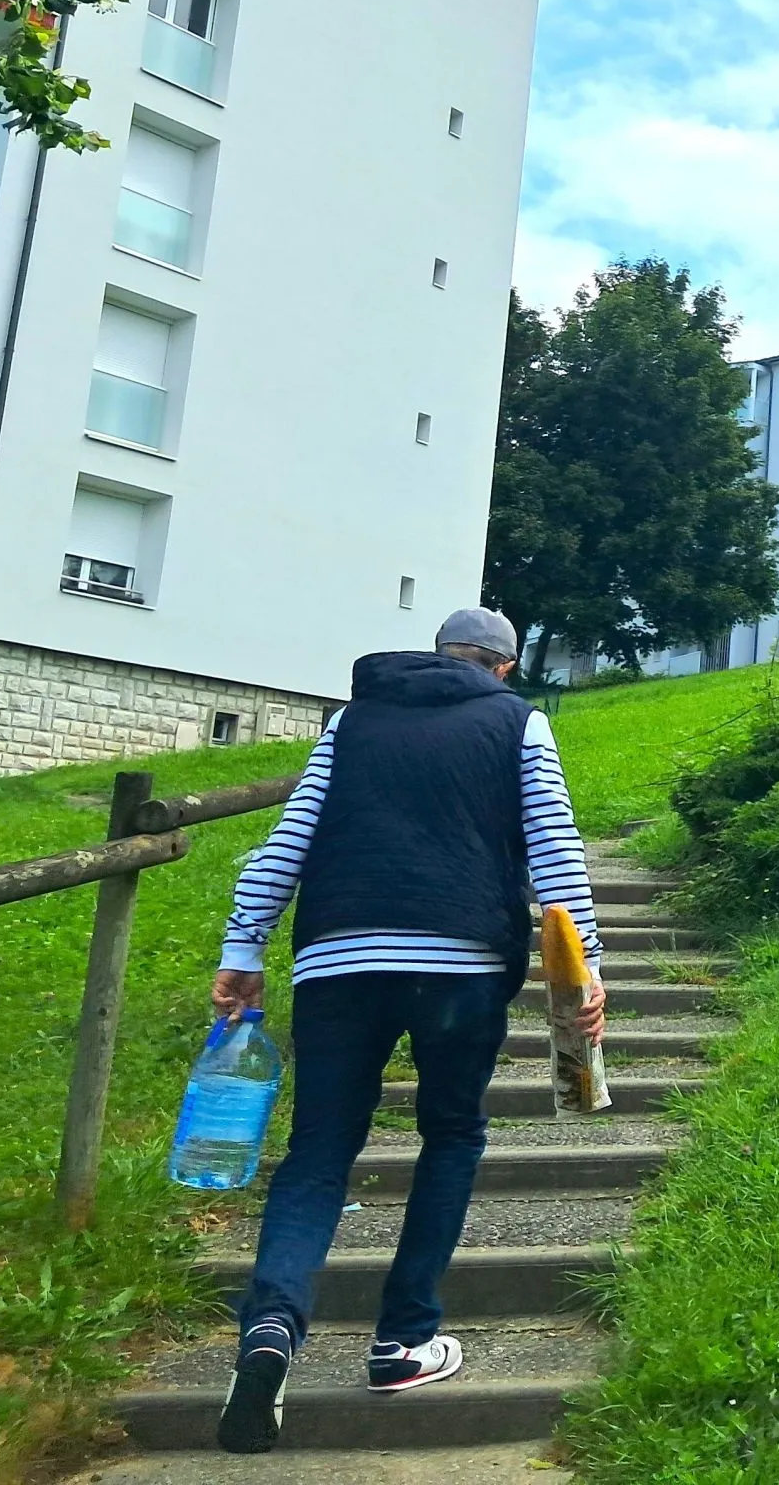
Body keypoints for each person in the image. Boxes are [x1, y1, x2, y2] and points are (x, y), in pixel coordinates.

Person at [208, 607, 606, 1454]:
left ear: (437, 657)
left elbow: (291, 838)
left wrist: (244, 947)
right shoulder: (517, 721)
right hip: (459, 964)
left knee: (318, 1153)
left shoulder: (353, 721)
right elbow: (554, 849)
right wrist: (584, 971)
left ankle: (271, 1329)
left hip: (337, 961)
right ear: (502, 667)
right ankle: (401, 1342)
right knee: (452, 1134)